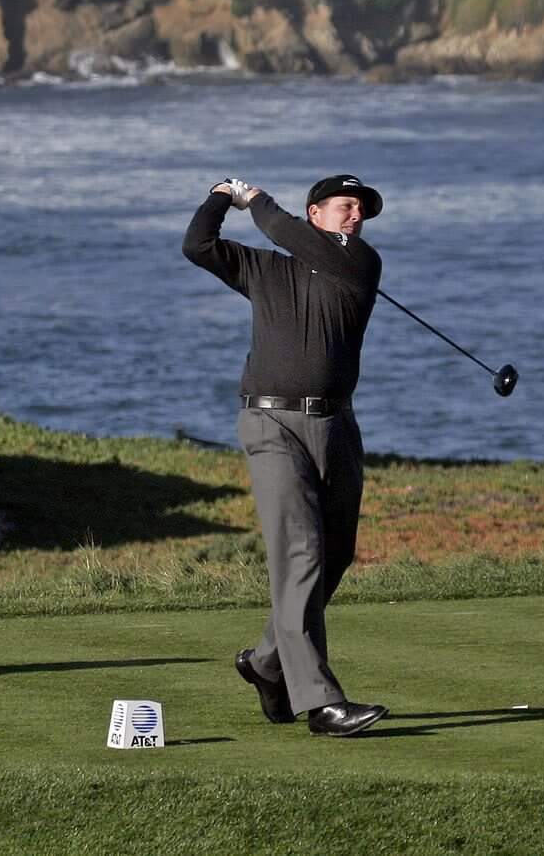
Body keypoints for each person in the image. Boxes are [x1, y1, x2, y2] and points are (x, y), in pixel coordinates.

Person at [182, 172, 391, 735]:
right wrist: (221, 197)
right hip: (269, 422)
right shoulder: (265, 269)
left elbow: (283, 229)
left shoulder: (361, 264)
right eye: (345, 206)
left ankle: (267, 664)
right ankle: (322, 702)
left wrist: (257, 201)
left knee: (336, 554)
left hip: (336, 426)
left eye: (361, 209)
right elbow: (197, 246)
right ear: (316, 211)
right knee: (302, 553)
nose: (356, 216)